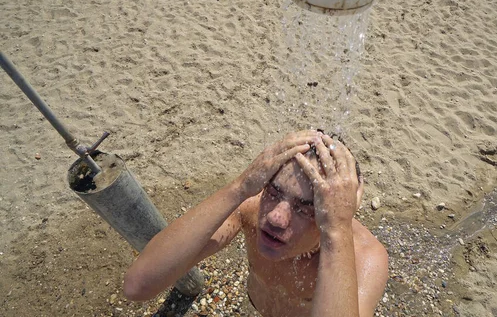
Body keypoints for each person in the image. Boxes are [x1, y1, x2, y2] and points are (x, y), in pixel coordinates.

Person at [123, 130, 389, 317]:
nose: (275, 217)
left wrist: (336, 229)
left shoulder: (364, 259)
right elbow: (138, 285)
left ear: (333, 214)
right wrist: (238, 188)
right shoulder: (249, 210)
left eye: (305, 209)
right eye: (273, 192)